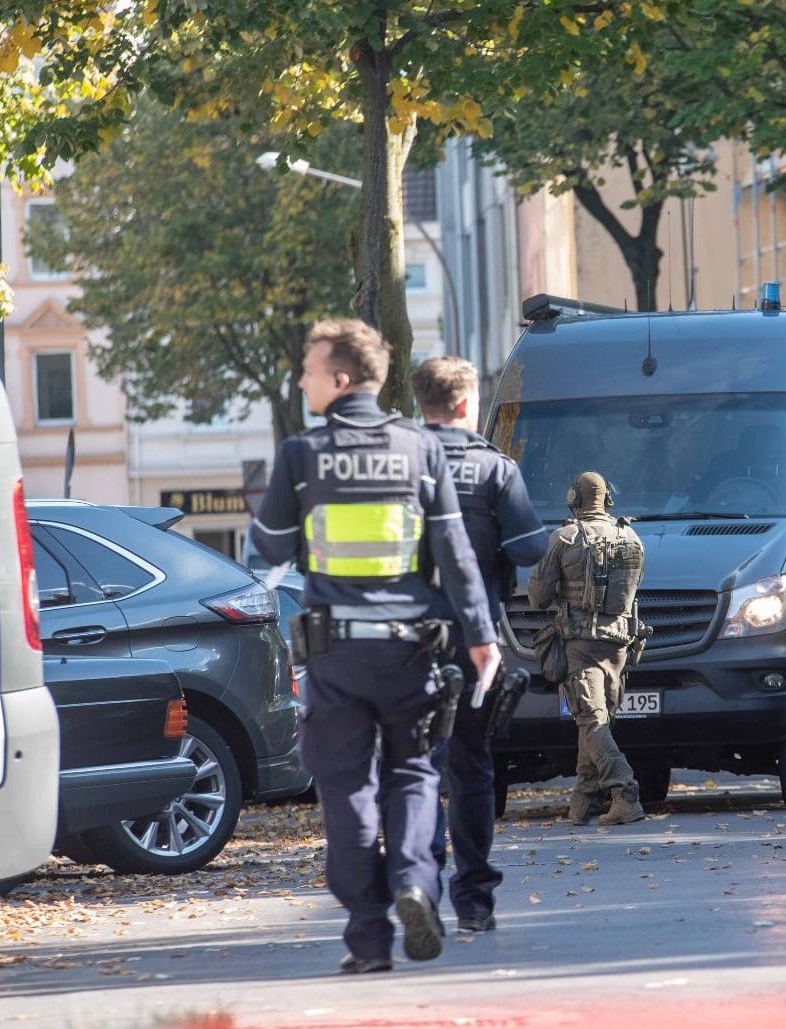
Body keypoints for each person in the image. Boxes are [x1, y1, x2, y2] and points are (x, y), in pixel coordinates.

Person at [249, 319, 498, 974]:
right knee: (414, 772)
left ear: (340, 378)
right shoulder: (420, 448)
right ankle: (417, 881)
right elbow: (456, 553)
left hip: (336, 655)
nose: (301, 378)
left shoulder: (302, 455)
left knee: (347, 789)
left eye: (308, 367)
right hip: (412, 649)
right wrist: (482, 638)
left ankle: (367, 939)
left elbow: (270, 549)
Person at [410, 356, 548, 935]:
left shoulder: (391, 468)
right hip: (473, 646)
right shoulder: (495, 471)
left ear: (421, 403)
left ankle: (417, 886)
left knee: (414, 768)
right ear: (468, 404)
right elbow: (529, 549)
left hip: (401, 642)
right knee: (470, 766)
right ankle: (473, 902)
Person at [527, 471, 649, 827]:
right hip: (620, 646)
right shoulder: (631, 536)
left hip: (580, 644)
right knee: (596, 719)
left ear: (573, 499)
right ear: (607, 498)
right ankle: (583, 802)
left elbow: (538, 597)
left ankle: (625, 793)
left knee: (590, 720)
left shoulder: (563, 538)